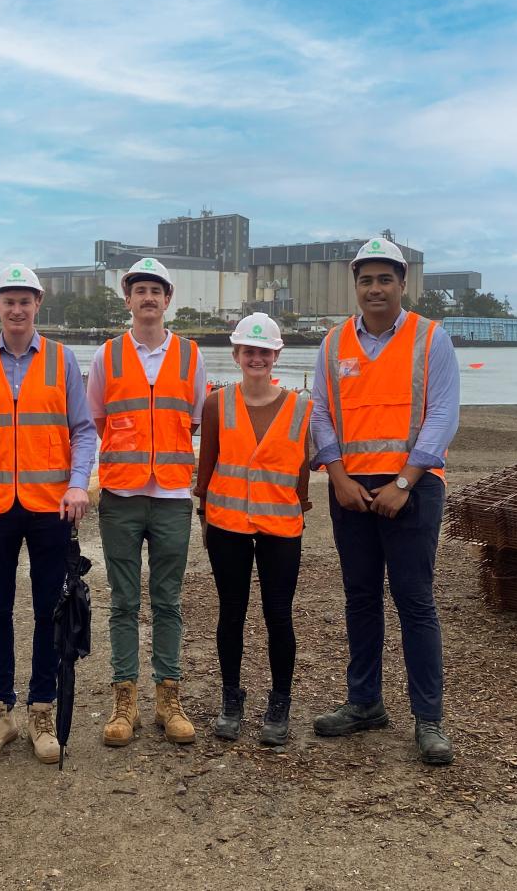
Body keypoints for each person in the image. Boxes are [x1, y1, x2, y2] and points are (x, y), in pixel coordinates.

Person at [309, 237, 460, 766]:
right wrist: (337, 475)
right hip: (350, 488)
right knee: (361, 596)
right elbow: (321, 413)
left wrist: (405, 481)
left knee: (415, 600)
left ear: (402, 284)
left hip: (413, 487)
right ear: (356, 286)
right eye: (366, 280)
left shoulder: (430, 339)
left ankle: (429, 718)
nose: (375, 288)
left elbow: (442, 414)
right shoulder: (332, 345)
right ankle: (365, 702)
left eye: (385, 279)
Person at [0, 264, 98, 764]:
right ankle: (0, 710)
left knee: (48, 611)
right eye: (8, 301)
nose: (17, 309)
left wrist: (79, 484)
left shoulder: (61, 361)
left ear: (38, 304)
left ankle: (42, 706)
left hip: (50, 506)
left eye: (26, 301)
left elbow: (83, 429)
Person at [86, 257, 207, 746]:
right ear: (128, 298)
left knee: (168, 601)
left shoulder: (190, 355)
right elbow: (98, 418)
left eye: (157, 290)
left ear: (168, 299)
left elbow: (194, 418)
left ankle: (168, 697)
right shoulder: (106, 357)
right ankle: (124, 699)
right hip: (121, 494)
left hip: (173, 495)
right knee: (122, 601)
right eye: (140, 290)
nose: (149, 298)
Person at [194, 313, 311, 746]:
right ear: (237, 355)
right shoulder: (216, 404)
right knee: (232, 612)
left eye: (264, 351)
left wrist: (300, 507)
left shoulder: (301, 407)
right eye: (249, 351)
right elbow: (206, 467)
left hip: (281, 527)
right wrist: (204, 515)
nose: (256, 358)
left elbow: (301, 471)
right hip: (227, 525)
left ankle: (279, 701)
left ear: (276, 354)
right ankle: (231, 698)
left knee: (279, 615)